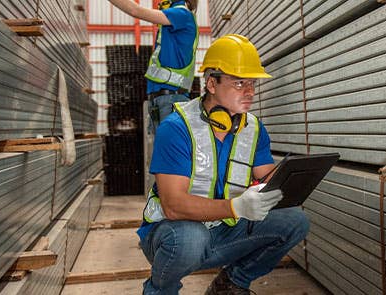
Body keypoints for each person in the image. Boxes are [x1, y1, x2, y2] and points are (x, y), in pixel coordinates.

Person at [137, 34, 310, 295]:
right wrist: (237, 206)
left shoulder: (252, 128)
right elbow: (173, 206)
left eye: (252, 83)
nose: (249, 92)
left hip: (223, 230)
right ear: (211, 83)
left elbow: (269, 178)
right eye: (239, 83)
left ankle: (231, 284)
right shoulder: (177, 127)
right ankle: (160, 289)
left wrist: (293, 180)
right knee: (190, 239)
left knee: (294, 220)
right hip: (172, 234)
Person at [107, 0, 198, 130]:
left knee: (169, 149)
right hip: (162, 98)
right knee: (163, 148)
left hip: (170, 99)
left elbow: (135, 10)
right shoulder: (173, 19)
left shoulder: (181, 15)